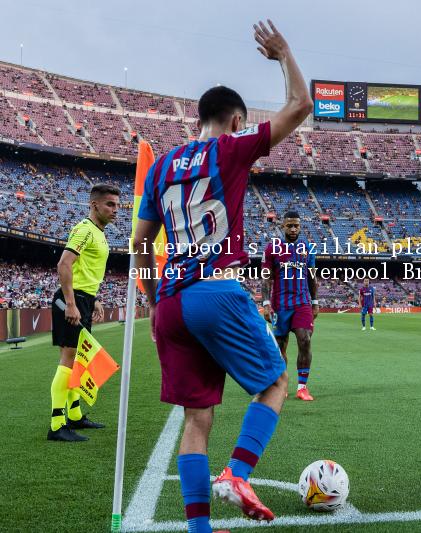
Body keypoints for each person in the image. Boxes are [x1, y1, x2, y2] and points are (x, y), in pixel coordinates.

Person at [133, 20, 312, 530]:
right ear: (235, 120)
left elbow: (142, 243)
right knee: (276, 381)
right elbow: (300, 105)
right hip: (214, 288)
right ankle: (237, 472)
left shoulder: (163, 165)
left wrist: (151, 301)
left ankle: (199, 528)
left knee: (197, 417)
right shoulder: (230, 149)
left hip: (170, 302)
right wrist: (283, 54)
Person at [48, 183, 120, 442]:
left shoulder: (99, 233)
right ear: (94, 204)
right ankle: (57, 424)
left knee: (80, 359)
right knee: (68, 359)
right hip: (73, 300)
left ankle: (75, 415)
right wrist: (70, 302)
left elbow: (85, 271)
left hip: (84, 299)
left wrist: (94, 299)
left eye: (117, 205)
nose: (115, 210)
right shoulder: (84, 230)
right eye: (110, 204)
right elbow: (64, 264)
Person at [261, 211, 318, 401]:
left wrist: (315, 302)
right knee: (280, 346)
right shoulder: (272, 248)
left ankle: (302, 388)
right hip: (280, 304)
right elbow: (266, 278)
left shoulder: (307, 247)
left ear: (300, 227)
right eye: (289, 225)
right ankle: (282, 385)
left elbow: (311, 276)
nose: (293, 229)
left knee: (305, 340)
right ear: (283, 226)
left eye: (296, 225)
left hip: (302, 302)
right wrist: (266, 303)